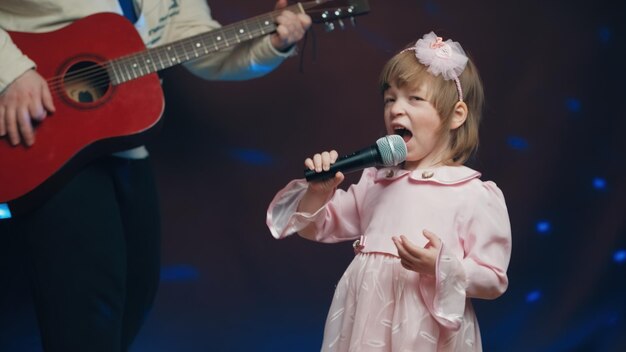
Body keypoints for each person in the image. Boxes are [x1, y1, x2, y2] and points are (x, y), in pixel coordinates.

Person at [0, 1, 310, 351]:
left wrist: (274, 42)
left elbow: (199, 44)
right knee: (85, 316)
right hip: (42, 137)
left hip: (123, 141)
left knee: (136, 296)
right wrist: (12, 73)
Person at [266, 31, 512, 351]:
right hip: (367, 323)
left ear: (456, 115)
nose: (396, 109)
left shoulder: (472, 193)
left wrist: (442, 265)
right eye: (390, 99)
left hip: (425, 332)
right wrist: (319, 190)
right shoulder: (376, 180)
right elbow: (316, 226)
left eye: (414, 99)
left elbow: (493, 279)